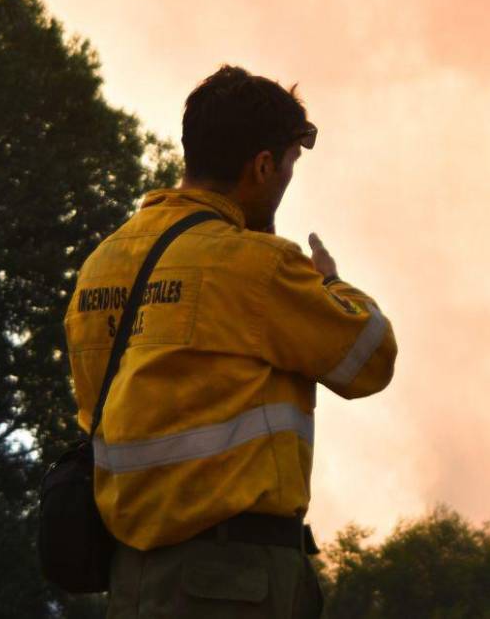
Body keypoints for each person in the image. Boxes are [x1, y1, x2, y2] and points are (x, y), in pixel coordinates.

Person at [63, 66, 397, 617]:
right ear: (263, 166)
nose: (287, 180)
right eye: (288, 164)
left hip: (132, 581)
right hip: (234, 581)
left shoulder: (101, 266)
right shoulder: (258, 268)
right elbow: (371, 358)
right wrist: (330, 282)